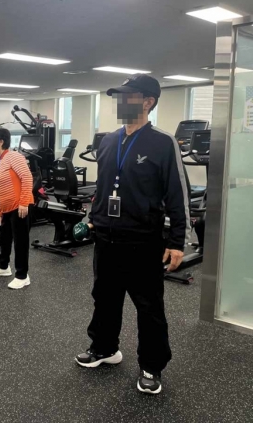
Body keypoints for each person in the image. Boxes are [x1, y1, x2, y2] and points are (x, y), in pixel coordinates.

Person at [75, 74, 190, 395]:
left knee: (148, 308)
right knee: (104, 298)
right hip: (107, 240)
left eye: (128, 97)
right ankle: (104, 348)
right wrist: (94, 220)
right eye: (118, 98)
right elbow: (102, 188)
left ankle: (152, 365)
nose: (120, 103)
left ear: (148, 102)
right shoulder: (109, 140)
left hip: (143, 241)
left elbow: (177, 195)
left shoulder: (163, 142)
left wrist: (177, 242)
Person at [0, 127, 34, 290]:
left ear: (1, 141)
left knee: (20, 243)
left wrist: (24, 202)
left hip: (19, 207)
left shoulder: (13, 156)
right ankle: (3, 267)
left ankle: (22, 276)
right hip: (6, 209)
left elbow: (27, 178)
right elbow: (0, 191)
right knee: (4, 240)